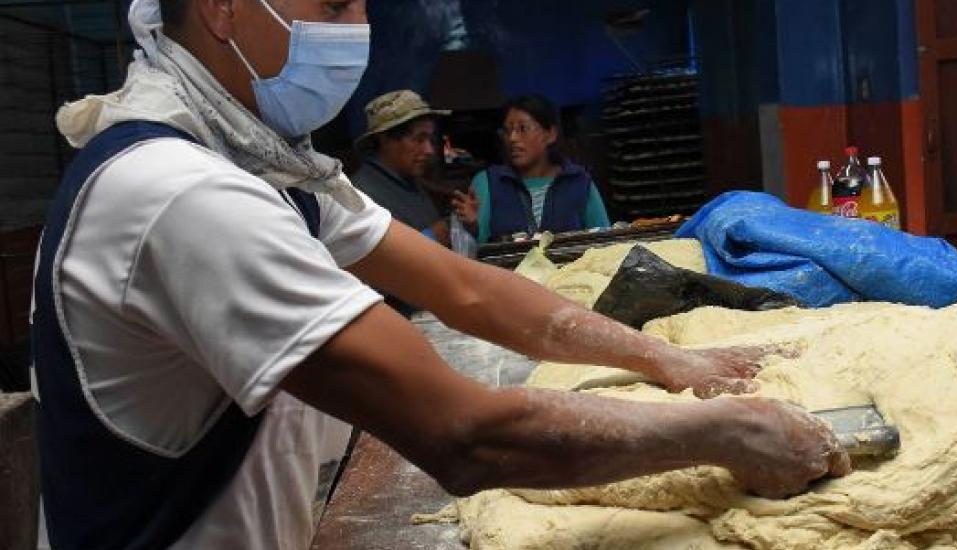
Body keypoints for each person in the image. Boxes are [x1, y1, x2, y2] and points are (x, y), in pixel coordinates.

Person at [32, 0, 849, 548]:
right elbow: (466, 435)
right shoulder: (180, 194)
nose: (356, 28)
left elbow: (465, 288)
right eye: (335, 5)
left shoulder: (266, 168)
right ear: (220, 8)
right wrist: (724, 433)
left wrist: (668, 361)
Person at [452, 94, 610, 243]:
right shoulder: (488, 182)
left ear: (550, 135)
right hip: (505, 271)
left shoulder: (579, 182)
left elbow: (605, 242)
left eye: (523, 129)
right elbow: (478, 248)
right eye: (508, 131)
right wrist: (472, 226)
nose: (512, 138)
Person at [351, 90, 451, 246]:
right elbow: (378, 257)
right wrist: (432, 236)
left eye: (430, 140)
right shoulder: (363, 195)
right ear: (385, 140)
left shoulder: (409, 182)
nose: (429, 150)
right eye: (419, 139)